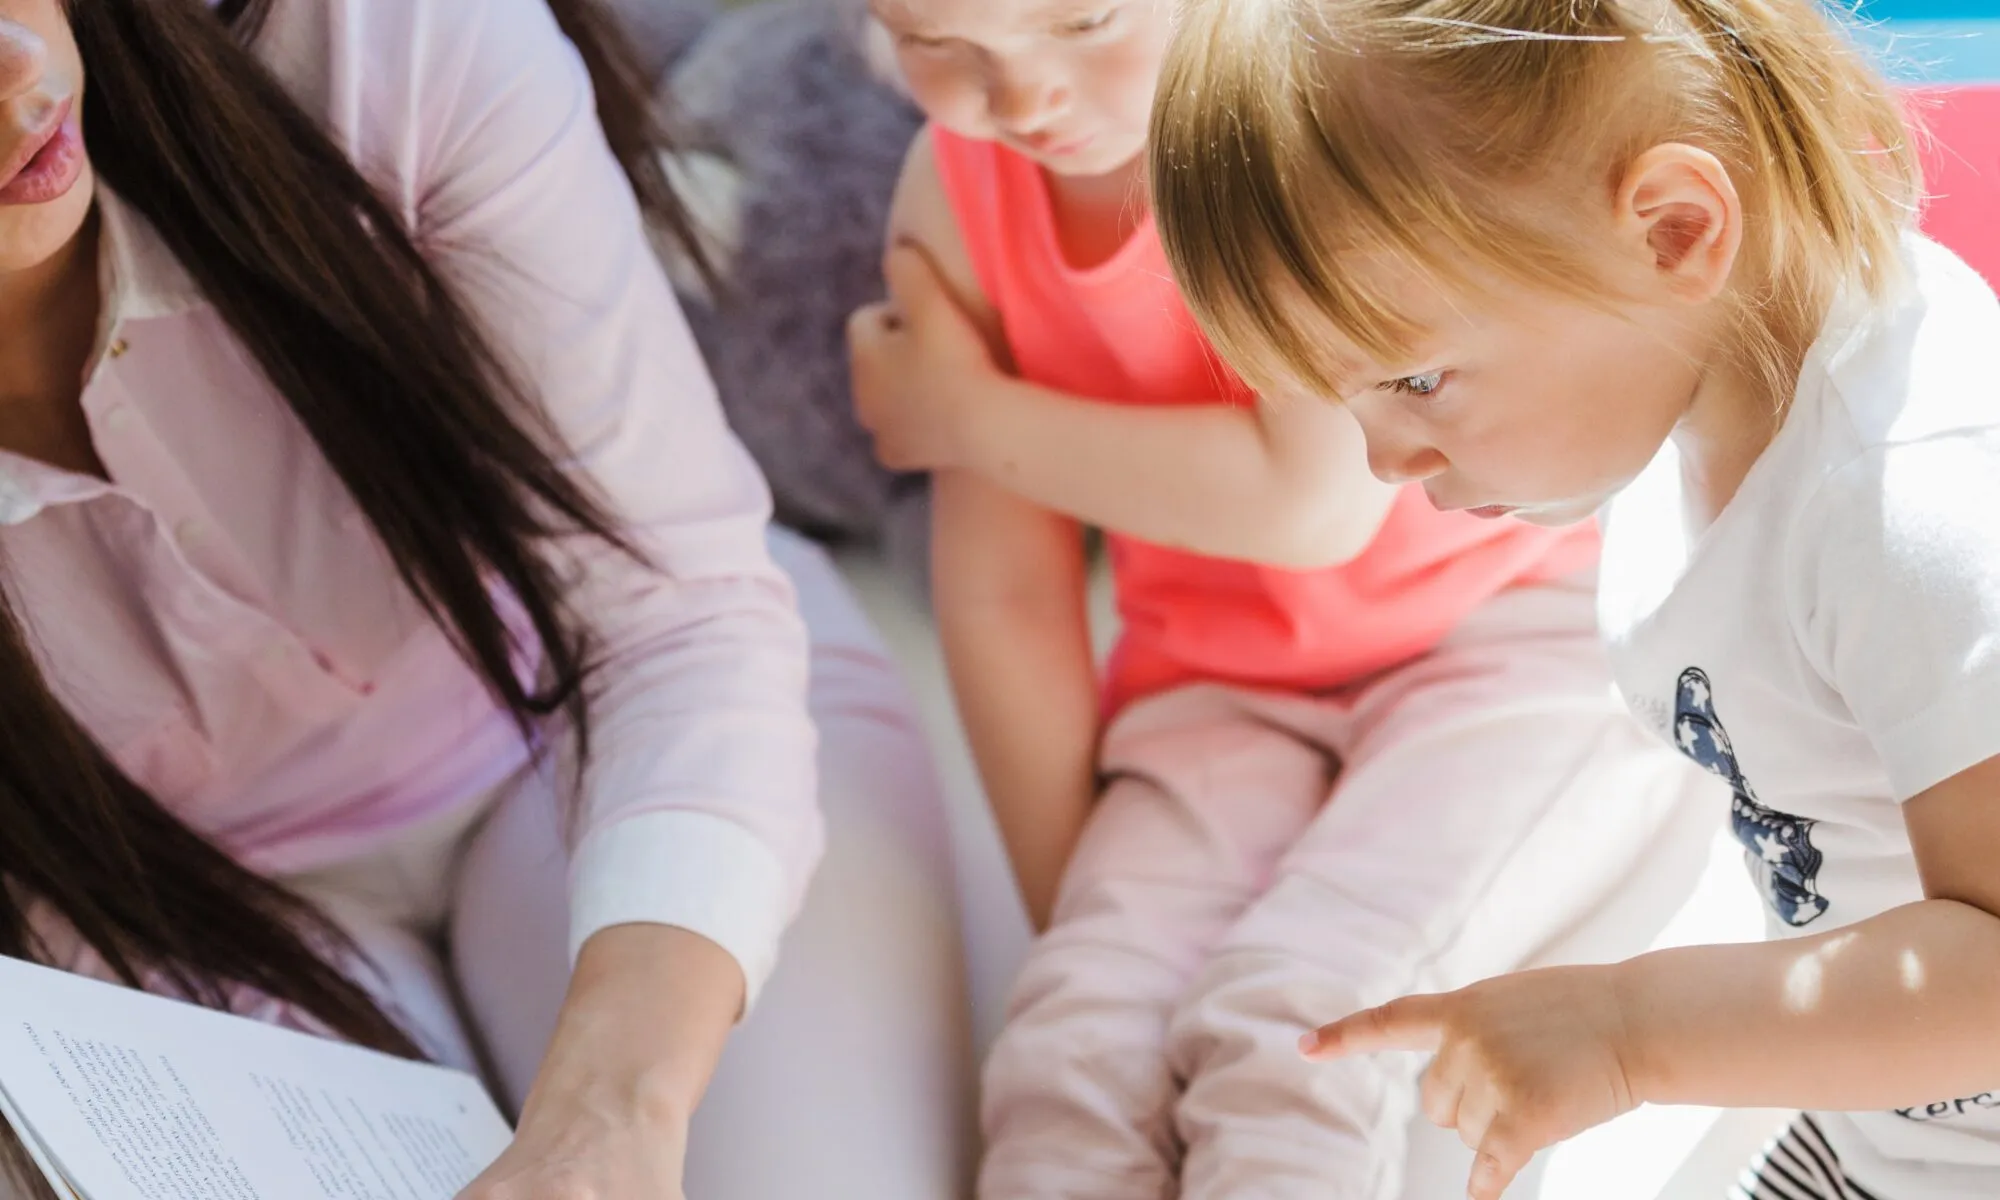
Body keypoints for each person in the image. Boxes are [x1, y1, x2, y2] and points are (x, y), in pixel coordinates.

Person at [0, 0, 972, 1197]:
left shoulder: (383, 41)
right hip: (188, 918)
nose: (18, 64)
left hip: (620, 706)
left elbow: (672, 613)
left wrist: (614, 1110)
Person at [845, 2, 1715, 1195]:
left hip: (1497, 634)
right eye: (936, 42)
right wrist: (1093, 932)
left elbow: (1313, 504)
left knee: (1294, 1019)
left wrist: (967, 419)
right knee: (1071, 1057)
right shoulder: (953, 197)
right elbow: (1002, 593)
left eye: (1083, 19)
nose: (1023, 94)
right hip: (1215, 692)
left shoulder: (1302, 120)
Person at [1146, 1, 2000, 1198]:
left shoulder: (1914, 500)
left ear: (1670, 232)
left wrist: (1624, 1030)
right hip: (1882, 1133)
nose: (1384, 462)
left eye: (1417, 378)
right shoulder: (1684, 392)